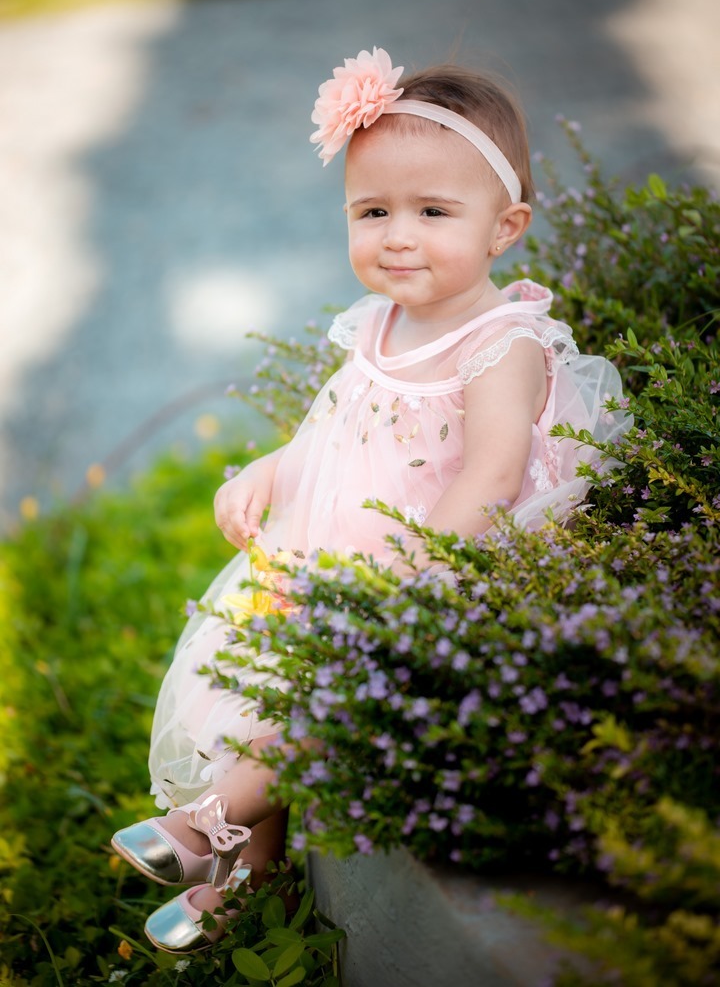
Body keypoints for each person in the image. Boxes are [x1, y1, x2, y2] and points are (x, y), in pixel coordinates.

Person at [111, 47, 630, 951]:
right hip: (336, 552)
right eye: (373, 211)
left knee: (327, 703)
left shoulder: (503, 342)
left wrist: (423, 569)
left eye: (433, 212)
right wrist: (271, 468)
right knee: (260, 691)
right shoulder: (377, 323)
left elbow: (495, 473)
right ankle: (246, 880)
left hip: (440, 564)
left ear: (504, 226)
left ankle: (205, 827)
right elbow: (335, 419)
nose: (398, 235)